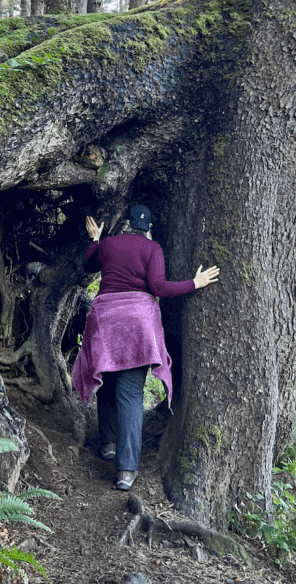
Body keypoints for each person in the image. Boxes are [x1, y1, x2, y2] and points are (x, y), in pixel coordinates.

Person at [72, 203, 219, 490]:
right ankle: (126, 471)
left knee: (107, 379)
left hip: (107, 321)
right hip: (138, 326)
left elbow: (88, 264)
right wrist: (195, 282)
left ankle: (108, 445)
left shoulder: (110, 244)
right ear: (148, 227)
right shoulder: (153, 249)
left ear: (127, 223)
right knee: (130, 394)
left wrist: (95, 239)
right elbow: (159, 288)